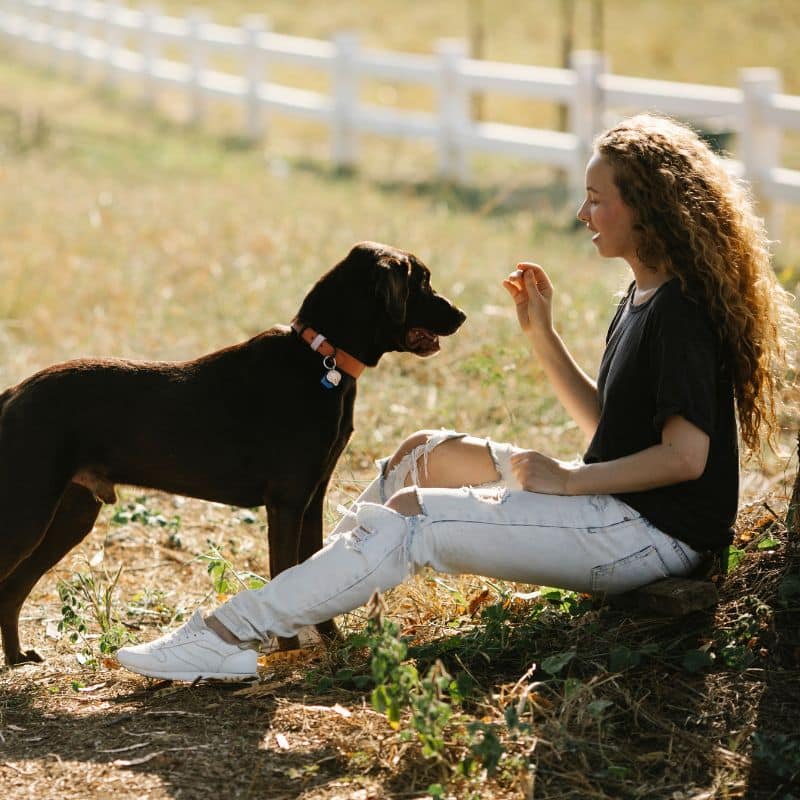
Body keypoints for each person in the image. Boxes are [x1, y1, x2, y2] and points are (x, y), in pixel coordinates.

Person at [117, 114, 797, 682]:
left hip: (652, 536)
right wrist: (542, 336)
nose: (582, 213)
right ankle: (312, 609)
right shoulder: (643, 294)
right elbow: (612, 427)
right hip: (618, 508)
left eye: (597, 199)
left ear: (647, 207)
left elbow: (684, 458)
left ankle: (228, 632)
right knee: (422, 454)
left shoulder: (680, 313)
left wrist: (567, 480)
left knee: (415, 516)